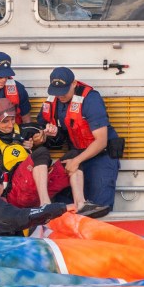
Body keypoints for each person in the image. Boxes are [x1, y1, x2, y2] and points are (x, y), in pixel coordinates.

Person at [0, 98, 82, 208]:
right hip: (12, 192)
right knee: (41, 152)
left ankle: (80, 205)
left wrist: (53, 134)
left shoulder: (26, 130)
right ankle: (45, 206)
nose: (10, 125)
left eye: (12, 119)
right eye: (5, 121)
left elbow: (59, 142)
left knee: (75, 157)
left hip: (39, 186)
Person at [36, 67, 123, 218]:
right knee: (65, 204)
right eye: (57, 91)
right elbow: (41, 127)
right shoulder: (53, 100)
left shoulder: (90, 99)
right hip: (76, 154)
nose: (60, 95)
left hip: (100, 156)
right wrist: (47, 134)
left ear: (74, 84)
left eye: (64, 91)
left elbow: (101, 141)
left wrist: (76, 161)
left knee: (98, 208)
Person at [0, 162, 69, 237]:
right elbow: (22, 217)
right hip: (1, 251)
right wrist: (62, 207)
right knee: (39, 227)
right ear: (0, 186)